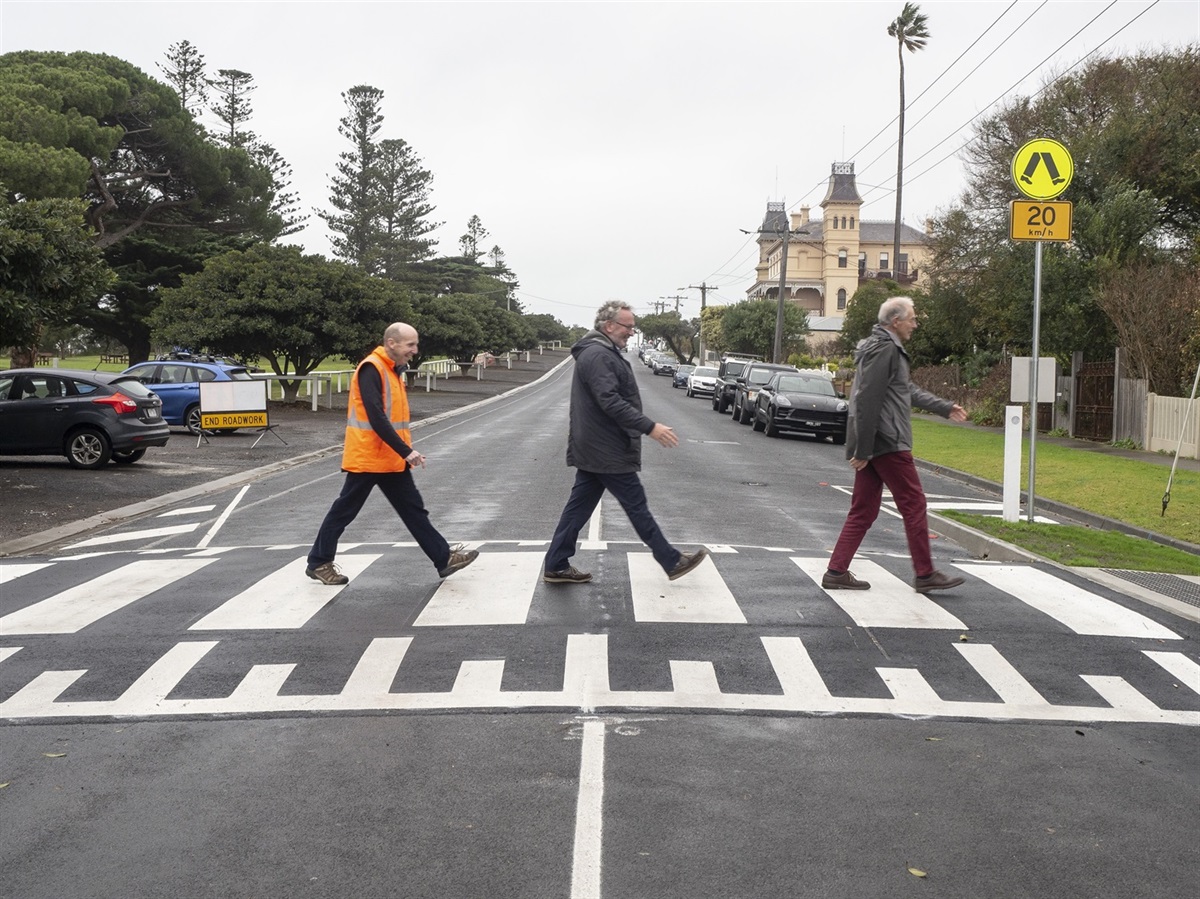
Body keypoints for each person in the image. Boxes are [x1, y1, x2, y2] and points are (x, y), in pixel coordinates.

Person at [543, 301, 707, 584]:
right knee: (636, 505)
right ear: (609, 326)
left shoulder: (600, 352)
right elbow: (609, 400)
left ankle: (556, 563)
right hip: (608, 449)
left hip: (596, 448)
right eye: (627, 326)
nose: (631, 332)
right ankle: (670, 559)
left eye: (633, 327)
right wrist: (650, 427)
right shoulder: (599, 355)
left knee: (578, 509)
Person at [305, 322, 477, 585]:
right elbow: (376, 416)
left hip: (388, 458)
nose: (415, 350)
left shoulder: (393, 370)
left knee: (413, 509)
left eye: (415, 344)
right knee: (344, 511)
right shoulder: (372, 368)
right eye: (410, 345)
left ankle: (444, 559)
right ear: (392, 343)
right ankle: (318, 562)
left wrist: (401, 453)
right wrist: (406, 451)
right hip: (369, 457)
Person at [823, 296, 969, 594]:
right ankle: (925, 573)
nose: (915, 324)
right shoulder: (886, 349)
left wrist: (944, 407)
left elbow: (905, 390)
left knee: (863, 510)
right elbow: (865, 399)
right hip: (888, 442)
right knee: (914, 504)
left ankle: (836, 571)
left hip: (876, 441)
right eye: (912, 319)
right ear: (895, 321)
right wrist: (861, 449)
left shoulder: (884, 348)